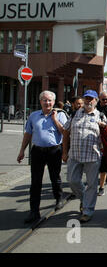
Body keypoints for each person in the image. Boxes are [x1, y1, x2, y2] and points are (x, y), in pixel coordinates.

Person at [17, 91, 68, 223]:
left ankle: (59, 198)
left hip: (54, 150)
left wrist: (55, 119)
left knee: (55, 177)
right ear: (40, 101)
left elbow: (64, 132)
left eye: (50, 100)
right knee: (35, 181)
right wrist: (22, 150)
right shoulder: (34, 116)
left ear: (54, 102)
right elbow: (28, 134)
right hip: (37, 151)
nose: (47, 103)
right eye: (44, 100)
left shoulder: (60, 115)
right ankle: (34, 211)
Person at [62, 90, 107, 223]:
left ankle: (87, 211)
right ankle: (84, 199)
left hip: (92, 156)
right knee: (72, 181)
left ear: (96, 101)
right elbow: (65, 132)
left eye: (91, 99)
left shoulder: (101, 116)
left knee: (92, 185)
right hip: (74, 155)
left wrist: (104, 129)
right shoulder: (75, 114)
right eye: (86, 98)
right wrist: (64, 152)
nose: (88, 101)